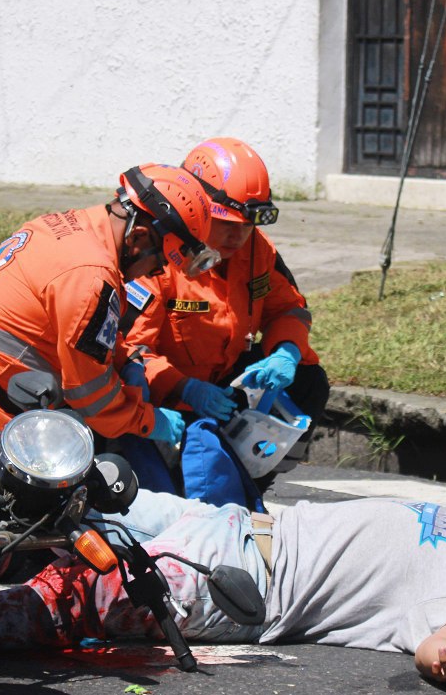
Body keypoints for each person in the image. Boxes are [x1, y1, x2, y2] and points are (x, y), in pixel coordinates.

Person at [0, 490, 446, 685]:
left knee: (54, 603)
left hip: (226, 585)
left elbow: (442, 649)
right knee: (39, 479)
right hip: (219, 519)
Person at [0, 164, 217, 446]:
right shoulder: (92, 276)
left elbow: (76, 331)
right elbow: (92, 399)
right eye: (159, 263)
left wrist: (129, 360)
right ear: (139, 238)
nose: (154, 273)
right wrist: (148, 421)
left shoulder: (64, 224)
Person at [123, 138, 329, 484]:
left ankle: (254, 484)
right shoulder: (161, 254)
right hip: (168, 397)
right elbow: (130, 352)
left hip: (224, 384)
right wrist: (183, 387)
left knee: (310, 381)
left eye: (246, 226)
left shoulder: (257, 251)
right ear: (194, 208)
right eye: (226, 224)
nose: (238, 237)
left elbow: (288, 308)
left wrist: (287, 353)